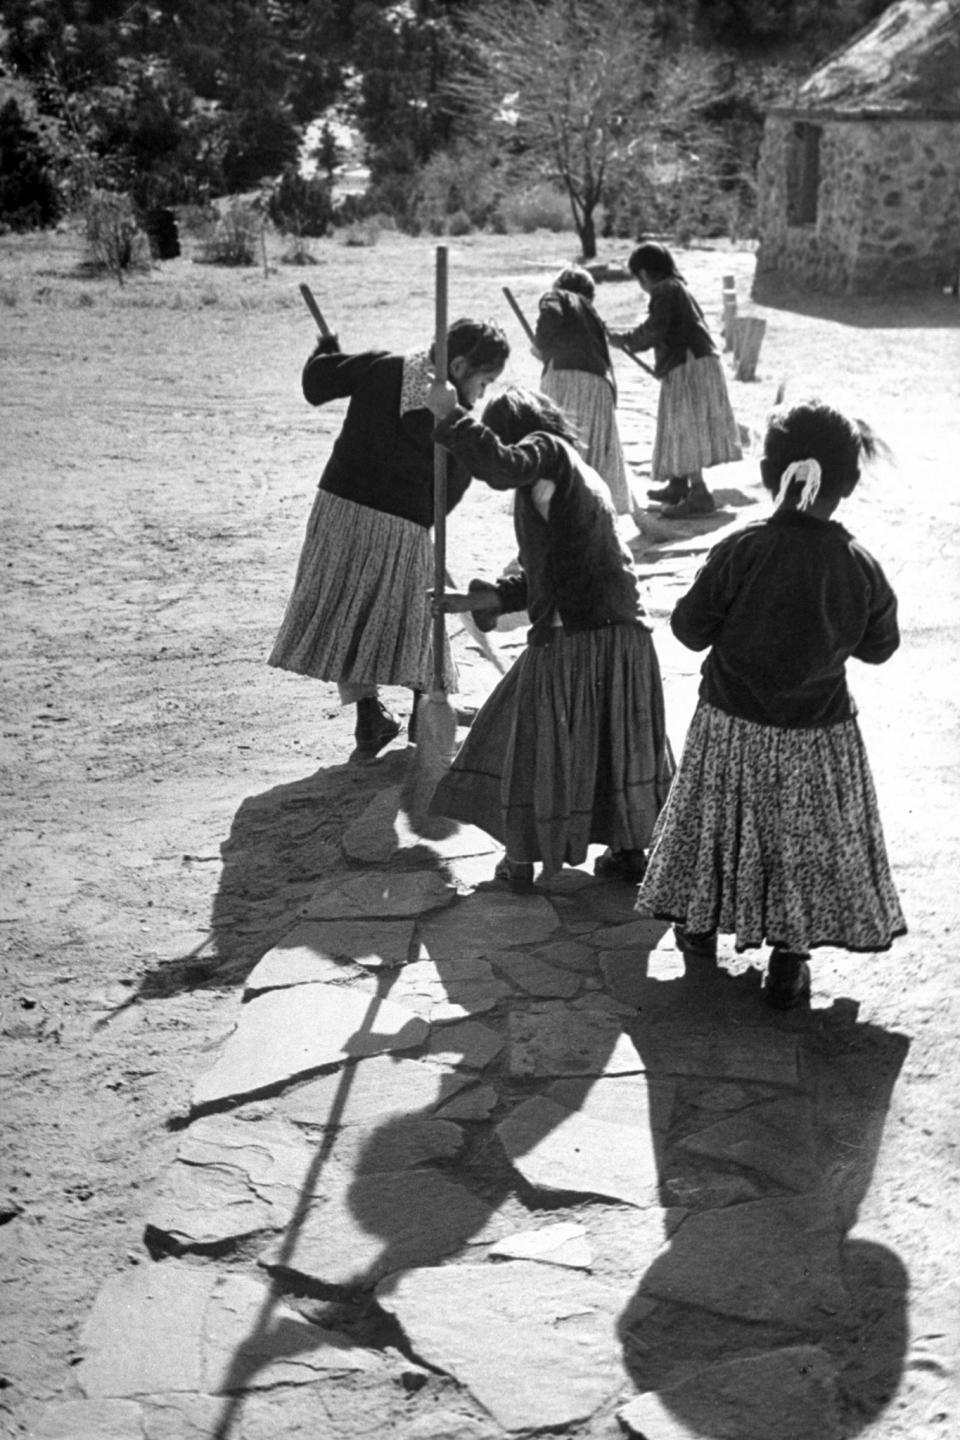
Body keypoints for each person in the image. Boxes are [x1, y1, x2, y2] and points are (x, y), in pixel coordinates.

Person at [636, 398, 906, 1008]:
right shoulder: (858, 563)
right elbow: (880, 647)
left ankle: (699, 923)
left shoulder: (742, 549)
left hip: (731, 725)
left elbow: (687, 629)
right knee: (799, 845)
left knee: (716, 826)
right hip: (818, 734)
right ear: (850, 481)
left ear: (770, 471)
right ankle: (789, 959)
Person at [423, 381, 675, 889]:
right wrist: (486, 598)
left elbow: (500, 466)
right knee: (612, 740)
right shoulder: (571, 481)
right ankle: (627, 851)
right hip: (618, 633)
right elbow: (554, 572)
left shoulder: (549, 453)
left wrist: (452, 418)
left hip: (583, 635)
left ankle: (521, 855)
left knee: (527, 735)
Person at [268, 318, 510, 763]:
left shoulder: (385, 365)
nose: (482, 393)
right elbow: (453, 488)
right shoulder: (450, 417)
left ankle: (369, 716)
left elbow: (317, 383)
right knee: (420, 616)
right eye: (484, 381)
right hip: (402, 521)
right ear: (458, 365)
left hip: (340, 506)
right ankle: (425, 711)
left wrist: (326, 352)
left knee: (353, 610)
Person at [607, 241, 741, 519]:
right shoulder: (676, 288)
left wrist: (626, 340)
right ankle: (679, 484)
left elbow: (655, 330)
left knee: (686, 425)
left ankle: (699, 493)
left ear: (643, 273)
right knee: (678, 423)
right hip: (692, 362)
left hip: (690, 365)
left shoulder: (665, 290)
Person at [532, 265, 636, 516]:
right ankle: (591, 515)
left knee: (562, 450)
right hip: (600, 386)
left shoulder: (557, 296)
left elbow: (549, 318)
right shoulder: (592, 314)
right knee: (592, 455)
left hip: (568, 380)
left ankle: (559, 516)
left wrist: (540, 345)